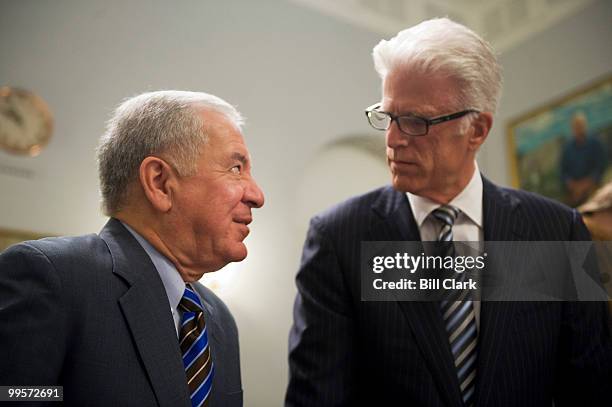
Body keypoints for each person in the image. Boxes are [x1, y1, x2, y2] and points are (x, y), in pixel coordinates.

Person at [286, 18, 611, 407]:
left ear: (476, 130)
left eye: (415, 121)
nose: (392, 139)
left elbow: (591, 389)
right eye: (388, 116)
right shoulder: (339, 238)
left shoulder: (557, 231)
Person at [0, 90, 264, 406]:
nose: (257, 195)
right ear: (160, 182)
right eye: (236, 168)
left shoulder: (219, 319)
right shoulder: (51, 278)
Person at [561, 112, 607, 206]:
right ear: (572, 128)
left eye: (580, 125)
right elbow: (563, 171)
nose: (578, 129)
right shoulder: (567, 148)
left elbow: (601, 166)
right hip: (575, 193)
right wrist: (572, 185)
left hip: (594, 188)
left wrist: (587, 183)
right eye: (576, 126)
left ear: (585, 125)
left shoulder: (595, 143)